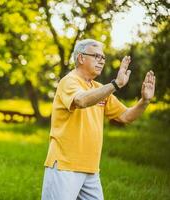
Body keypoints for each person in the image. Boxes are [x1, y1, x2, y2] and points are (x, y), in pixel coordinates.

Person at [41, 39, 155, 200]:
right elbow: (81, 100)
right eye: (96, 56)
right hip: (65, 166)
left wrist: (144, 101)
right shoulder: (69, 81)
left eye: (103, 58)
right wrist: (115, 85)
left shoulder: (98, 88)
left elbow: (125, 116)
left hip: (91, 170)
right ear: (81, 58)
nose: (101, 61)